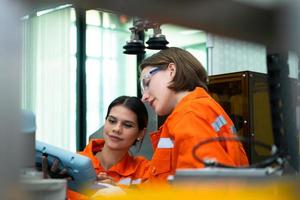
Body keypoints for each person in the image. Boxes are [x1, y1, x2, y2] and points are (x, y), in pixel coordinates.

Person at [139, 47, 249, 182]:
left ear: (171, 71)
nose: (144, 96)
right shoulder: (201, 108)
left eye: (146, 82)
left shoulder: (190, 115)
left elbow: (202, 187)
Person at [66, 96, 150, 199]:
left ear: (141, 133)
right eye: (112, 121)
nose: (117, 129)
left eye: (127, 125)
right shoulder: (74, 164)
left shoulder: (144, 171)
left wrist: (119, 193)